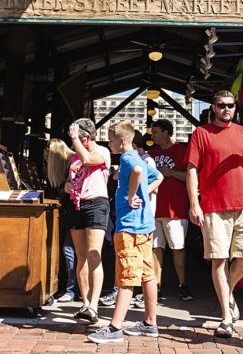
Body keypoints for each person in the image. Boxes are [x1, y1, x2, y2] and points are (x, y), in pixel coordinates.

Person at [186, 90, 243, 339]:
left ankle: (228, 290)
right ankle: (226, 317)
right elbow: (191, 170)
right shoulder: (201, 133)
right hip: (214, 205)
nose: (227, 109)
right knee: (219, 259)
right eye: (222, 105)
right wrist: (194, 203)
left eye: (231, 105)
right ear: (213, 107)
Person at [88, 121, 162, 343]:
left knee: (126, 277)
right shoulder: (140, 157)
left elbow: (137, 172)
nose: (108, 144)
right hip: (145, 225)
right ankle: (150, 323)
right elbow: (159, 177)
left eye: (110, 140)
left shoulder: (128, 158)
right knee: (147, 275)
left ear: (121, 141)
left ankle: (115, 328)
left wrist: (131, 196)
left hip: (129, 226)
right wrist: (142, 192)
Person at [66, 117, 111, 325]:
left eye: (78, 138)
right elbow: (72, 178)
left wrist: (75, 138)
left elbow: (88, 160)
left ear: (87, 137)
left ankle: (94, 305)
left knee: (94, 254)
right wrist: (67, 185)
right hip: (77, 204)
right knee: (81, 255)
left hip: (96, 203)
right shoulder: (75, 156)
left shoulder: (102, 151)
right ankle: (84, 303)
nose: (74, 141)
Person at [148, 118, 193, 301]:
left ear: (166, 132)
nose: (152, 136)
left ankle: (183, 284)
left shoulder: (182, 151)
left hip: (176, 209)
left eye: (155, 132)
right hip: (153, 209)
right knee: (155, 248)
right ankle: (156, 286)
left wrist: (171, 173)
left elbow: (192, 177)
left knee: (178, 248)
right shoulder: (151, 154)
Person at [46, 138, 79, 303]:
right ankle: (72, 288)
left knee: (69, 250)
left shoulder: (71, 165)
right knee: (72, 251)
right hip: (76, 212)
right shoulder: (73, 162)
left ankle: (72, 289)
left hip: (75, 213)